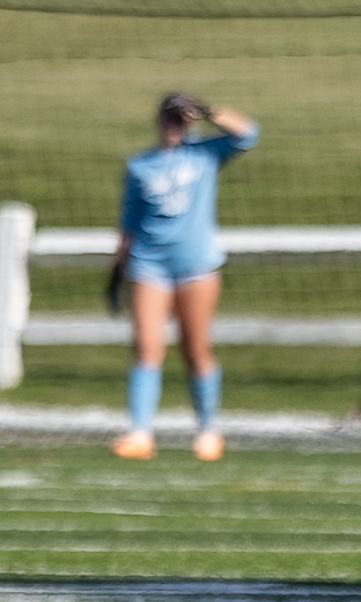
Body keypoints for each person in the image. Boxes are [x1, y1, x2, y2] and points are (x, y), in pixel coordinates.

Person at [110, 92, 258, 462]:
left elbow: (248, 134)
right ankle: (140, 432)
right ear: (158, 121)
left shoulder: (204, 154)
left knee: (195, 348)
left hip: (195, 266)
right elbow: (129, 223)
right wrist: (116, 271)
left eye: (181, 120)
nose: (175, 127)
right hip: (149, 263)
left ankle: (208, 429)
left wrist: (208, 111)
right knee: (146, 346)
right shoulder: (141, 165)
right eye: (170, 119)